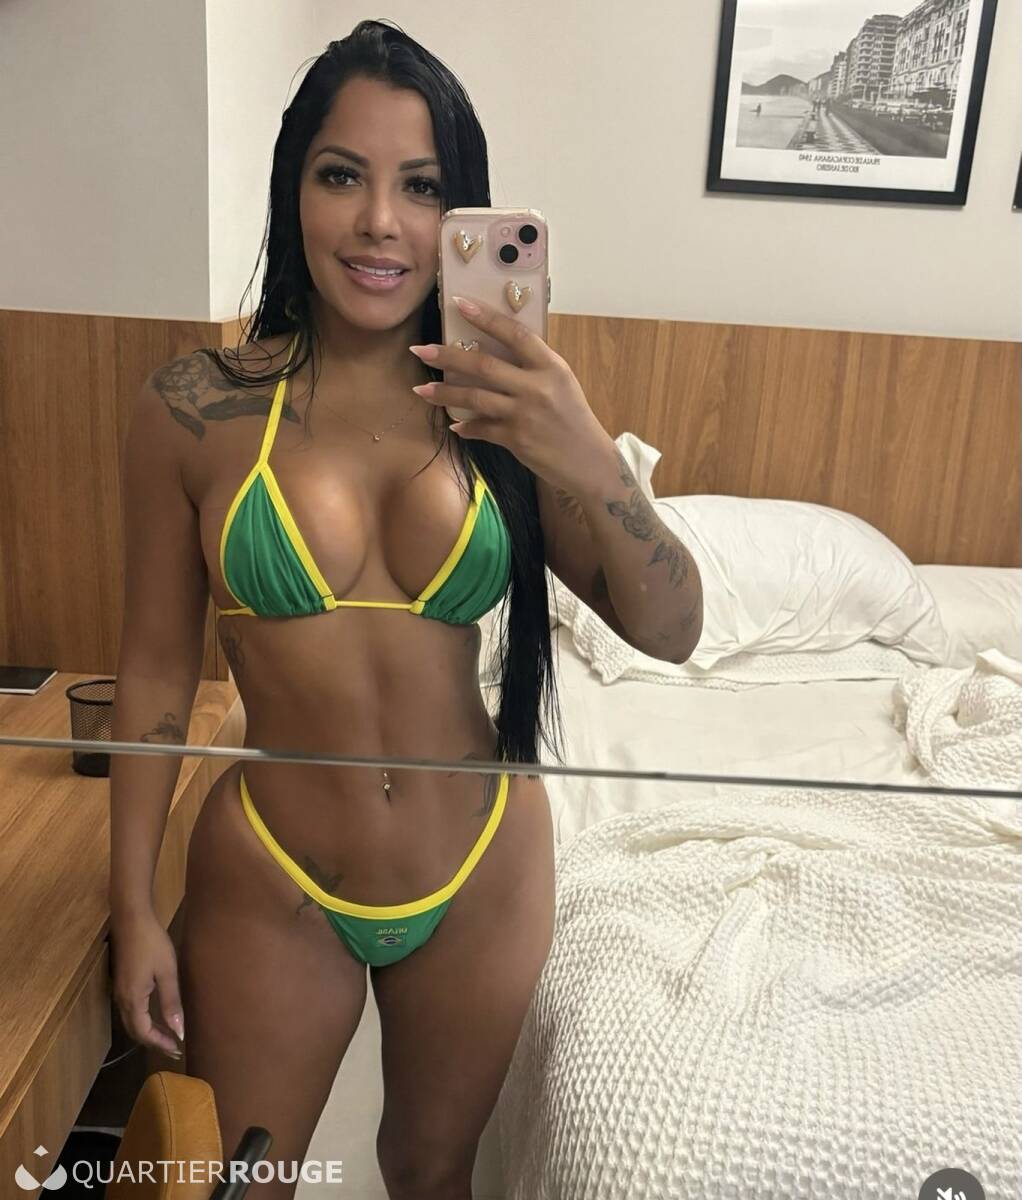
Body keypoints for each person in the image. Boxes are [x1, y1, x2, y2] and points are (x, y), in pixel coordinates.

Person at [108, 19, 702, 1200]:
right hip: (274, 868)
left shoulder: (503, 410)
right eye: (343, 176)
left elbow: (672, 628)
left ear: (460, 214)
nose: (381, 222)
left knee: (431, 1176)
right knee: (242, 1181)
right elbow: (156, 670)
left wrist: (585, 452)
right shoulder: (194, 408)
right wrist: (130, 904)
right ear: (293, 190)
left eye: (422, 188)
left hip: (480, 863)